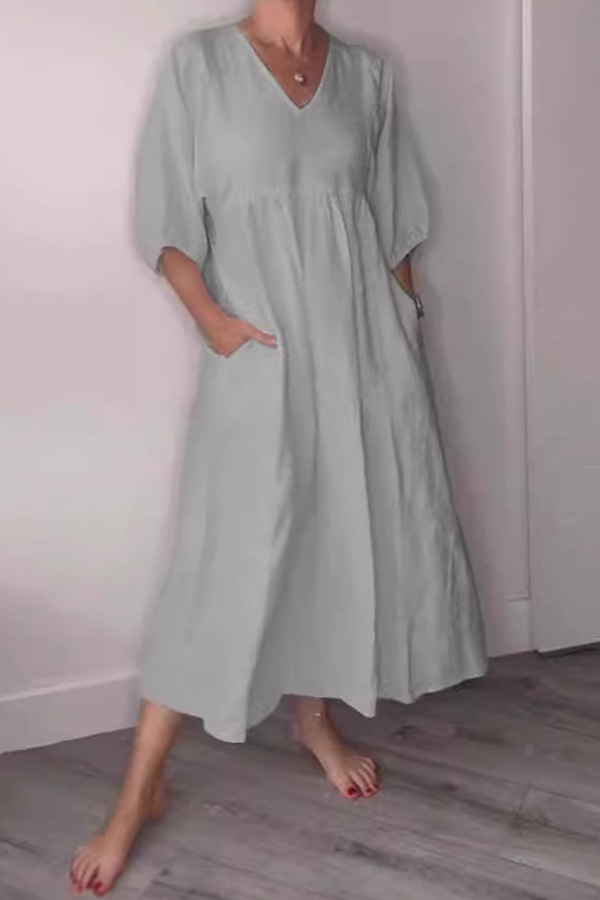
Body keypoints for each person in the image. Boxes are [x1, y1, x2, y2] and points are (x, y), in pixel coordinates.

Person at [69, 0, 489, 894]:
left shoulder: (367, 76)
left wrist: (405, 328)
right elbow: (168, 223)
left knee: (333, 536)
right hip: (259, 356)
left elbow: (395, 225)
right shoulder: (199, 66)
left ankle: (313, 719)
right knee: (224, 559)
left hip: (365, 355)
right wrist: (214, 325)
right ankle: (139, 789)